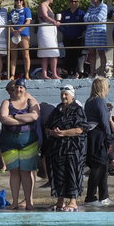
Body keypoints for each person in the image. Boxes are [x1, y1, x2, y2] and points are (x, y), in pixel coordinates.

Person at [42, 83, 87, 211]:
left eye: (66, 94)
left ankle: (73, 202)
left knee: (72, 173)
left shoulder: (77, 109)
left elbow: (80, 129)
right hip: (58, 148)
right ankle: (60, 201)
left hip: (73, 148)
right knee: (58, 174)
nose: (63, 96)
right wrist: (52, 132)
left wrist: (63, 133)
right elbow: (47, 127)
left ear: (72, 96)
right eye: (62, 94)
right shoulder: (57, 109)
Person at [0, 78, 40, 210]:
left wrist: (15, 116)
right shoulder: (6, 102)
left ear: (25, 89)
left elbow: (34, 116)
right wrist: (24, 120)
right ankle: (15, 201)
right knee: (14, 172)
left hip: (28, 141)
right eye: (16, 87)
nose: (18, 89)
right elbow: (3, 118)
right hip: (9, 141)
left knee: (26, 172)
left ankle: (29, 202)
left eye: (21, 87)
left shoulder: (31, 102)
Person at [84, 77, 114, 206]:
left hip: (91, 136)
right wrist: (109, 140)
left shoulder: (89, 101)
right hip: (99, 136)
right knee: (98, 167)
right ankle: (90, 197)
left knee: (102, 167)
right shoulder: (100, 101)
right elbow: (104, 122)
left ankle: (104, 196)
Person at [37, 0, 62, 80]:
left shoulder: (48, 6)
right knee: (45, 52)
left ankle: (54, 73)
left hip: (51, 30)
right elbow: (45, 16)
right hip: (45, 29)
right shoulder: (43, 5)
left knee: (54, 52)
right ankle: (45, 74)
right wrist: (54, 21)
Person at [59, 0, 86, 78]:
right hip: (67, 38)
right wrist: (65, 31)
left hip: (77, 38)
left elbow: (84, 25)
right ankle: (68, 72)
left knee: (76, 55)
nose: (73, 3)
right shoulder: (65, 13)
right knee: (68, 55)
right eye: (72, 1)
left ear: (78, 2)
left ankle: (75, 72)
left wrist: (79, 32)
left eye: (75, 1)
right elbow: (60, 24)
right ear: (69, 2)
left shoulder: (81, 13)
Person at [84, 0, 109, 77]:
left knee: (101, 52)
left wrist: (90, 18)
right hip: (90, 34)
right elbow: (85, 18)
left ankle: (101, 73)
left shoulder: (104, 6)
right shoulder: (90, 8)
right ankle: (92, 73)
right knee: (91, 53)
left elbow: (99, 17)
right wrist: (93, 18)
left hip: (100, 34)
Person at [8, 0, 32, 79]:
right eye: (17, 0)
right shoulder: (12, 12)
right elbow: (9, 23)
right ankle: (12, 75)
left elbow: (28, 22)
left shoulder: (26, 10)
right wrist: (13, 31)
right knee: (13, 56)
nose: (18, 1)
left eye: (20, 0)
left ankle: (27, 74)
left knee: (26, 55)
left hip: (23, 34)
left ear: (23, 1)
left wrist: (19, 30)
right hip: (13, 35)